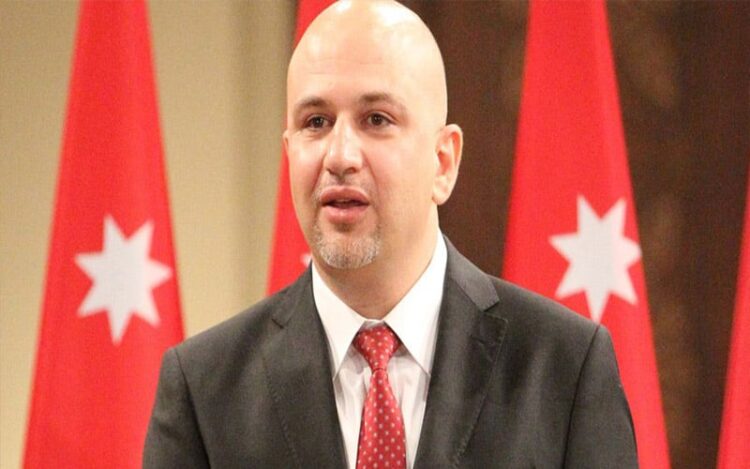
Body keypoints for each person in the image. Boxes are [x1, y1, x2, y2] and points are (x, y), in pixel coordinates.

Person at [143, 1, 638, 467]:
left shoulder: (564, 368)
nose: (340, 156)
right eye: (316, 122)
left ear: (443, 162)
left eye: (376, 119)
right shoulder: (204, 391)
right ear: (289, 151)